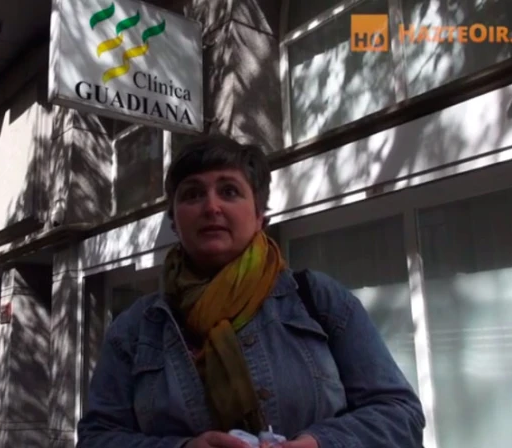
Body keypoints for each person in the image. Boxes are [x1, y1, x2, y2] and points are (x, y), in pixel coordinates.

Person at [76, 134, 425, 448]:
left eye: (229, 191)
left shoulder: (317, 300)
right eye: (193, 194)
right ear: (174, 222)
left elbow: (399, 414)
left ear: (260, 216)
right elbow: (96, 438)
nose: (211, 207)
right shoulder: (137, 329)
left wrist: (320, 443)